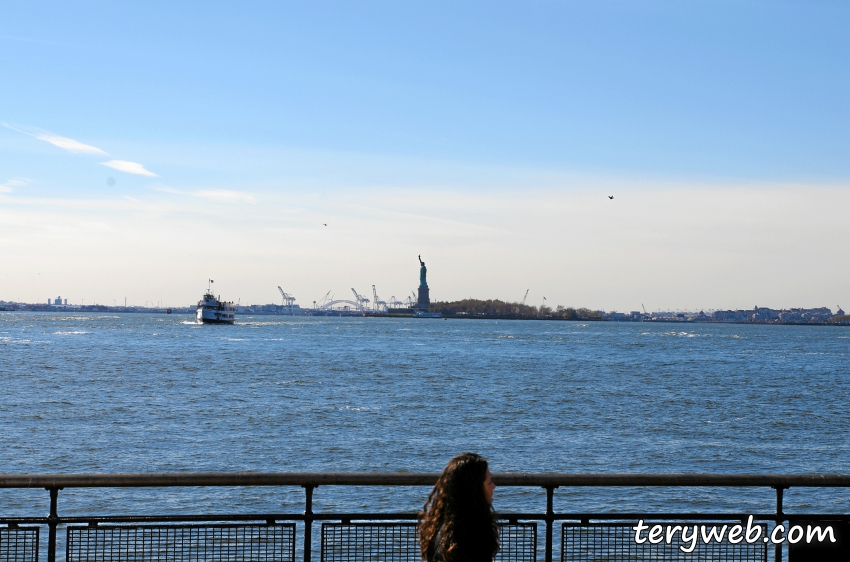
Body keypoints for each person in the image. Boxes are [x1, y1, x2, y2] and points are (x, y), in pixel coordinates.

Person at [419, 453, 499, 562]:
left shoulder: (443, 525)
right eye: (489, 482)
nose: (494, 487)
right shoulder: (470, 532)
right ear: (475, 490)